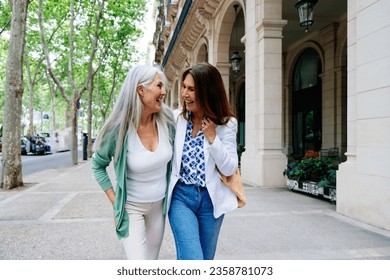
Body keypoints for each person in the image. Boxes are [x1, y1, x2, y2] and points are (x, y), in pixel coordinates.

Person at [92, 64, 175, 260]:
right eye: (159, 86)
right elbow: (98, 165)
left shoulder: (168, 120)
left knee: (151, 261)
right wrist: (116, 203)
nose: (164, 92)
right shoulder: (117, 130)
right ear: (140, 90)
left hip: (159, 207)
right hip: (131, 208)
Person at [167, 62, 239, 260]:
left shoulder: (226, 124)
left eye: (191, 89)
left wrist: (213, 138)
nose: (184, 94)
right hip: (181, 198)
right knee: (193, 259)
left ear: (207, 92)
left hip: (211, 201)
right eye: (184, 87)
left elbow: (230, 167)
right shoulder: (176, 119)